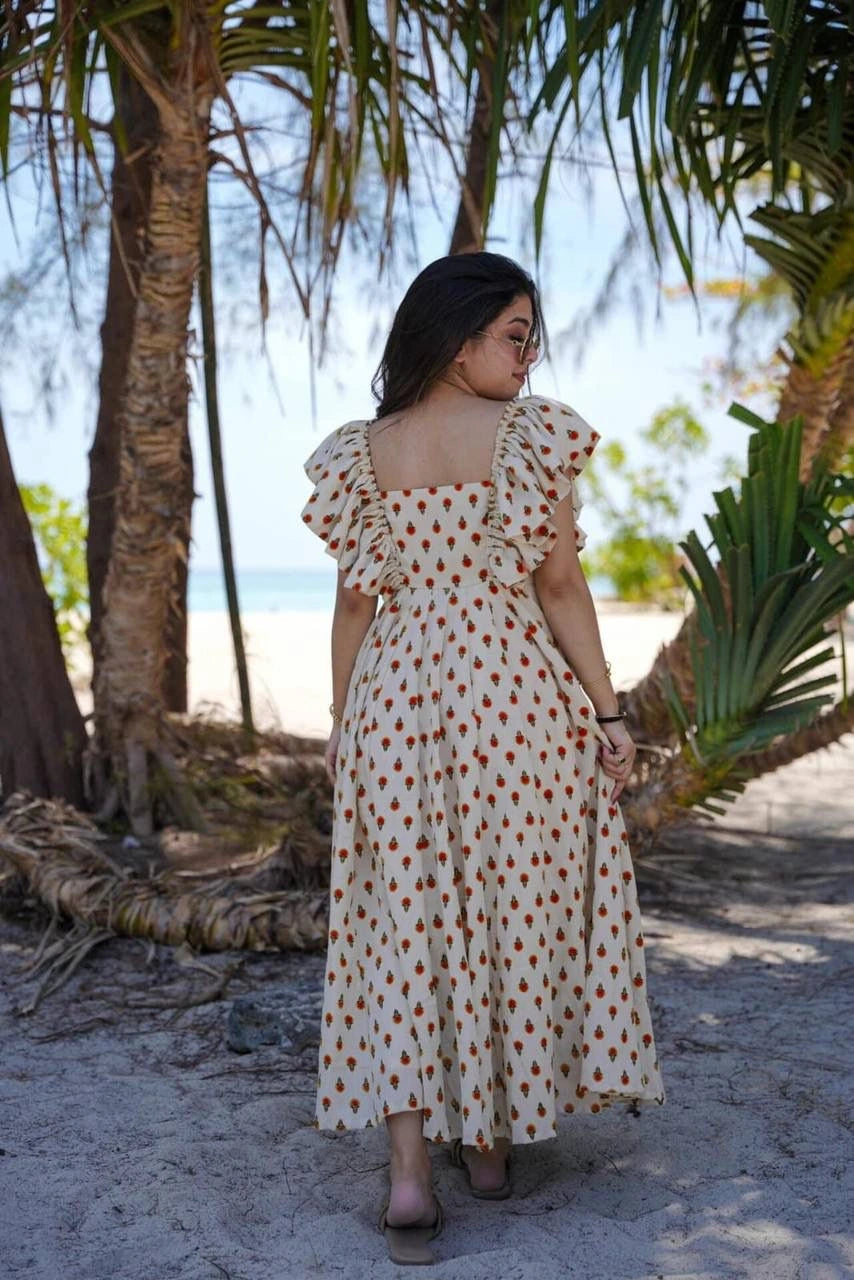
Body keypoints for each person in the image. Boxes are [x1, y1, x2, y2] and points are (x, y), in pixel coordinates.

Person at [300, 252, 665, 1265]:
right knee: (509, 904)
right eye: (514, 332)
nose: (529, 350)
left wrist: (340, 716)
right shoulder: (524, 438)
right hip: (510, 697)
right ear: (454, 337)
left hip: (393, 703)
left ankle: (410, 1174)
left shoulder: (359, 456)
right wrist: (604, 709)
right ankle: (492, 1146)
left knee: (402, 921)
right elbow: (556, 585)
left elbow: (352, 605)